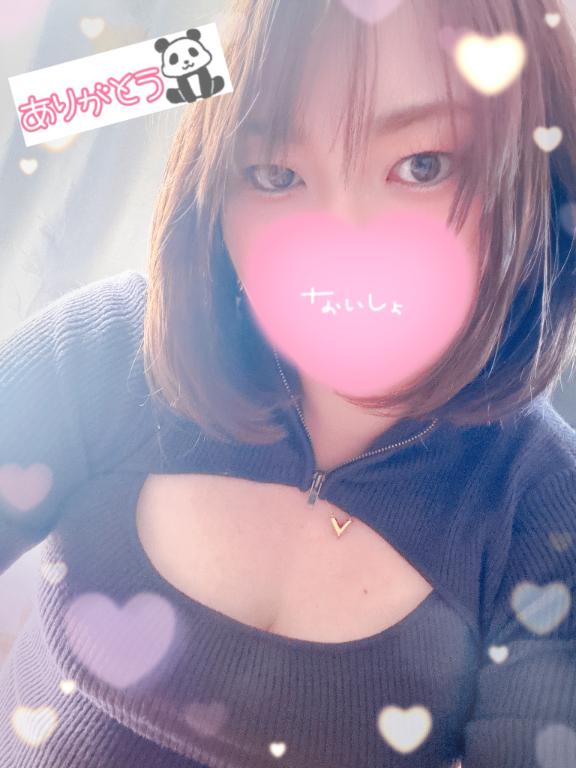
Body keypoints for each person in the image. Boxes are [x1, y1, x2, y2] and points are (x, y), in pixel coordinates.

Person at [1, 0, 576, 766]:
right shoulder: (105, 353)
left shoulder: (548, 517)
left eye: (424, 165)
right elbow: (48, 99)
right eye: (276, 174)